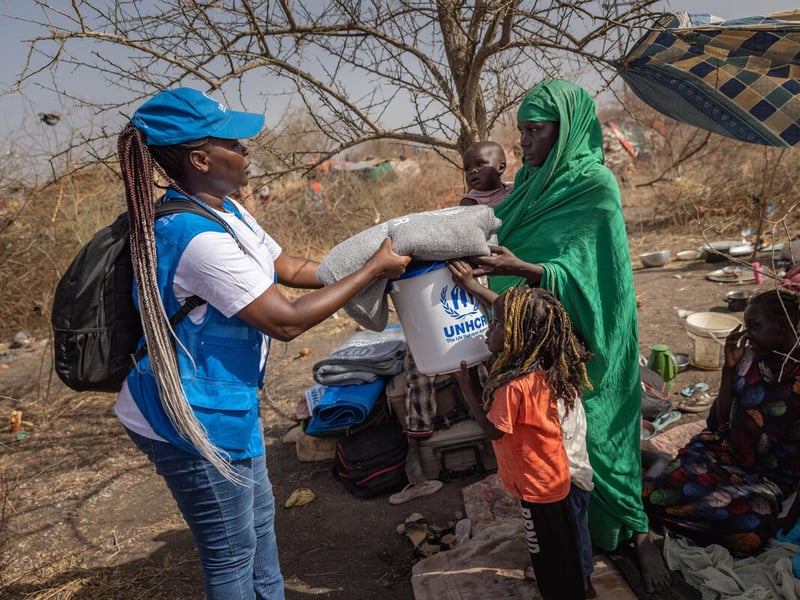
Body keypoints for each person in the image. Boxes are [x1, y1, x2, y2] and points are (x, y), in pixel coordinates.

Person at [114, 87, 410, 600]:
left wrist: (383, 268)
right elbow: (286, 321)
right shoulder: (194, 237)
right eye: (238, 144)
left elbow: (289, 268)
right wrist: (370, 271)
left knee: (259, 528)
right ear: (201, 159)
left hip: (228, 405)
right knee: (231, 555)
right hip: (189, 418)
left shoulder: (224, 211)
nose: (249, 153)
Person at [450, 79, 671, 593]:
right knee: (554, 445)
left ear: (565, 130)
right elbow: (493, 230)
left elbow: (594, 275)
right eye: (521, 132)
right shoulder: (528, 184)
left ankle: (636, 534)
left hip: (591, 335)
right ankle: (576, 539)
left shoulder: (595, 186)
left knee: (602, 432)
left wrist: (523, 267)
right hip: (536, 338)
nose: (524, 143)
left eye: (535, 132)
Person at [449, 259, 597, 597]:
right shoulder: (557, 362)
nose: (489, 329)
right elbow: (518, 313)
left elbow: (494, 431)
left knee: (548, 550)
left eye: (496, 324)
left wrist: (469, 389)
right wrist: (473, 287)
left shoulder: (513, 387)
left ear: (518, 336)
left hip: (544, 486)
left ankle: (568, 589)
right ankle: (583, 581)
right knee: (574, 538)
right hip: (573, 473)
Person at [643, 289, 800, 554]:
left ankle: (663, 478)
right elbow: (716, 424)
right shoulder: (749, 358)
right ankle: (661, 468)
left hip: (768, 479)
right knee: (655, 495)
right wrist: (729, 370)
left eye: (754, 327)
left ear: (782, 327)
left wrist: (791, 518)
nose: (746, 336)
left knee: (750, 532)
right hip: (721, 454)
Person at [459, 141, 514, 208]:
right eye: (467, 169)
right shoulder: (470, 202)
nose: (472, 171)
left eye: (480, 164)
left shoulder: (513, 188)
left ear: (501, 168)